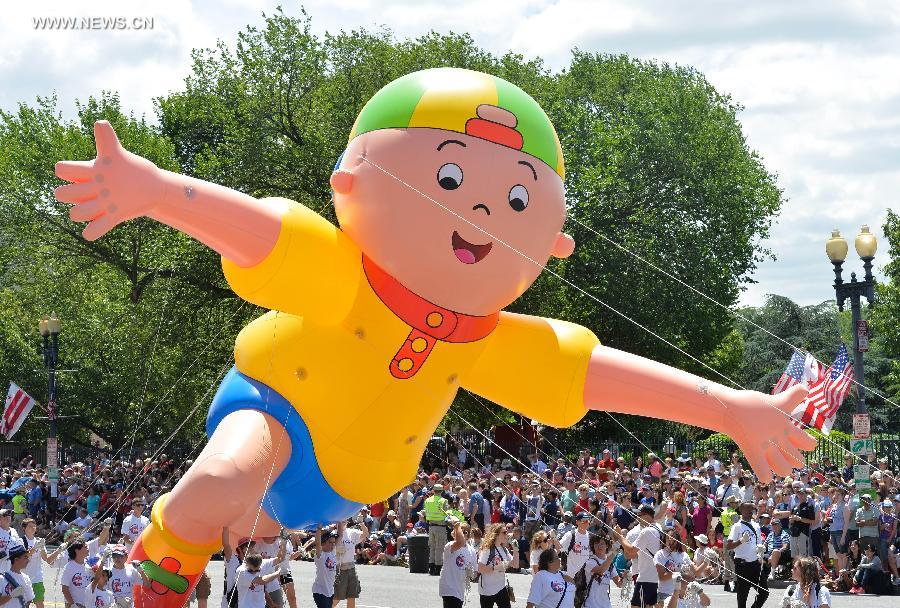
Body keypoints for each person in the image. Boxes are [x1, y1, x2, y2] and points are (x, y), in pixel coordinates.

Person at [55, 72, 814, 608]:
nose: (483, 209)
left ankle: (175, 552)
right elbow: (258, 229)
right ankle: (162, 561)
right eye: (449, 182)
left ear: (552, 242)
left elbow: (593, 376)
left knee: (235, 530)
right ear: (351, 181)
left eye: (516, 197)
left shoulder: (489, 341)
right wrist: (157, 193)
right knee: (214, 496)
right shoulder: (342, 274)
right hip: (276, 408)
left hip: (352, 481)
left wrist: (730, 408)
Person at [618, 504, 661, 608]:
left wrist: (620, 536)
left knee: (636, 606)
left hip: (646, 577)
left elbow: (631, 552)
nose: (637, 517)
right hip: (654, 576)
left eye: (640, 515)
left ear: (646, 516)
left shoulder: (646, 531)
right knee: (648, 606)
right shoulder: (658, 528)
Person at [725, 501, 766, 608]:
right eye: (749, 509)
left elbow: (758, 543)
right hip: (743, 565)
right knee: (743, 596)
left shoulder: (756, 526)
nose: (751, 512)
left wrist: (760, 551)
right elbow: (729, 546)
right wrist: (741, 540)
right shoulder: (737, 526)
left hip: (755, 564)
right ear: (742, 511)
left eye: (753, 509)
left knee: (764, 592)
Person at [21, 519, 62, 608]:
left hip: (37, 578)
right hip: (23, 579)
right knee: (25, 604)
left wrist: (58, 550)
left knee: (40, 604)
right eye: (30, 526)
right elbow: (23, 558)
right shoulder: (20, 541)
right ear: (24, 528)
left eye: (34, 526)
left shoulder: (39, 541)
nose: (33, 528)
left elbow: (46, 559)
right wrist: (35, 548)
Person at [477, 524, 518, 608]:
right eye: (504, 532)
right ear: (496, 534)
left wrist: (516, 550)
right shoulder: (487, 549)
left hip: (501, 587)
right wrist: (495, 568)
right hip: (487, 590)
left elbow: (515, 565)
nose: (507, 534)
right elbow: (480, 568)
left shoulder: (504, 549)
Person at [439, 520, 475, 608]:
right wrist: (457, 525)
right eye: (459, 531)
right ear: (454, 533)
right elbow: (460, 542)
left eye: (465, 532)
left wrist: (471, 572)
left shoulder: (471, 550)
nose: (462, 534)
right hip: (449, 588)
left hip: (460, 590)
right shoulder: (450, 545)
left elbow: (474, 575)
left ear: (469, 535)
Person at [334, 519, 367, 608]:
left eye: (345, 519)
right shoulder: (333, 533)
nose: (343, 521)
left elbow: (365, 534)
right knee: (337, 597)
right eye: (341, 520)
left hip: (351, 567)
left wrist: (361, 522)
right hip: (339, 568)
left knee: (352, 596)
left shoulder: (352, 532)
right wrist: (335, 548)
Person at [581, 534, 619, 608]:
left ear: (607, 546)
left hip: (606, 605)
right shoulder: (590, 562)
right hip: (590, 605)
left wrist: (626, 578)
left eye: (602, 543)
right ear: (593, 546)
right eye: (596, 543)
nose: (599, 546)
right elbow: (601, 570)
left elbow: (619, 583)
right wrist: (613, 554)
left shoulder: (610, 564)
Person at [653, 531, 686, 606]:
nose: (670, 540)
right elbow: (661, 577)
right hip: (664, 593)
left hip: (680, 594)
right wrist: (676, 571)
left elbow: (693, 575)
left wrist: (685, 572)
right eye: (668, 538)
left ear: (677, 540)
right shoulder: (660, 554)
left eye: (673, 538)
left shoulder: (683, 555)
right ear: (664, 540)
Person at [222, 531, 253, 608]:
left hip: (246, 602)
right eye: (247, 547)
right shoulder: (233, 560)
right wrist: (226, 526)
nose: (250, 550)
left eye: (251, 547)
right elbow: (225, 544)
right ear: (239, 549)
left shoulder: (252, 564)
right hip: (231, 601)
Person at [424, 484, 450, 575]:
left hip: (431, 526)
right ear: (442, 491)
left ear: (433, 490)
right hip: (440, 526)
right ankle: (437, 568)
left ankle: (431, 568)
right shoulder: (443, 501)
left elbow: (426, 512)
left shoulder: (427, 500)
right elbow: (447, 514)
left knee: (432, 547)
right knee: (439, 548)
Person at [1, 542, 35, 608]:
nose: (28, 560)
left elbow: (28, 602)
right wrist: (11, 595)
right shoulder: (2, 579)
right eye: (25, 557)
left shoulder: (26, 578)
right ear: (16, 560)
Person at [559, 512, 591, 578]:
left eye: (587, 521)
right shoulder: (570, 535)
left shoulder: (590, 537)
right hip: (572, 577)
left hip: (586, 577)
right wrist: (553, 538)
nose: (586, 523)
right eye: (583, 521)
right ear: (577, 522)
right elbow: (559, 547)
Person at [61, 540, 92, 608]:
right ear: (77, 550)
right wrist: (73, 604)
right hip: (75, 605)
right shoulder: (69, 567)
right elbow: (64, 589)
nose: (88, 549)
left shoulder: (88, 565)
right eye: (85, 547)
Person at [312, 527, 337, 608]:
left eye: (334, 542)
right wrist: (319, 529)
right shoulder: (320, 555)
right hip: (320, 591)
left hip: (330, 591)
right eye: (330, 542)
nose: (333, 544)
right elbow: (318, 543)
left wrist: (340, 522)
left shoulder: (332, 553)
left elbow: (340, 536)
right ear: (323, 543)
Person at [0, 509, 23, 573]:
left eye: (9, 515)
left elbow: (20, 547)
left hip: (12, 571)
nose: (8, 517)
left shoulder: (14, 531)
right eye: (5, 515)